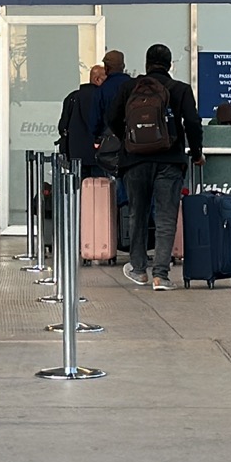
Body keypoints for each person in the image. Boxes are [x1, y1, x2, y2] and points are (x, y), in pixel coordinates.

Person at [108, 43, 204, 291]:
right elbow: (193, 122)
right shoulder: (180, 89)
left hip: (134, 160)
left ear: (147, 63)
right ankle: (161, 275)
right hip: (169, 160)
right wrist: (196, 153)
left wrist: (130, 140)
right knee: (165, 217)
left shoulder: (130, 87)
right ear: (170, 65)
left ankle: (139, 270)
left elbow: (111, 118)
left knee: (136, 214)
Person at [59, 65, 106, 172]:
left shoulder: (72, 98)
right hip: (99, 155)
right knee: (100, 187)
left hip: (76, 155)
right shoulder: (101, 97)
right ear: (97, 79)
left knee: (79, 187)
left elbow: (62, 126)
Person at [91, 49, 131, 140]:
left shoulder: (102, 90)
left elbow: (95, 122)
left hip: (109, 140)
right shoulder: (134, 85)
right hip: (132, 140)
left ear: (106, 68)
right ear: (123, 66)